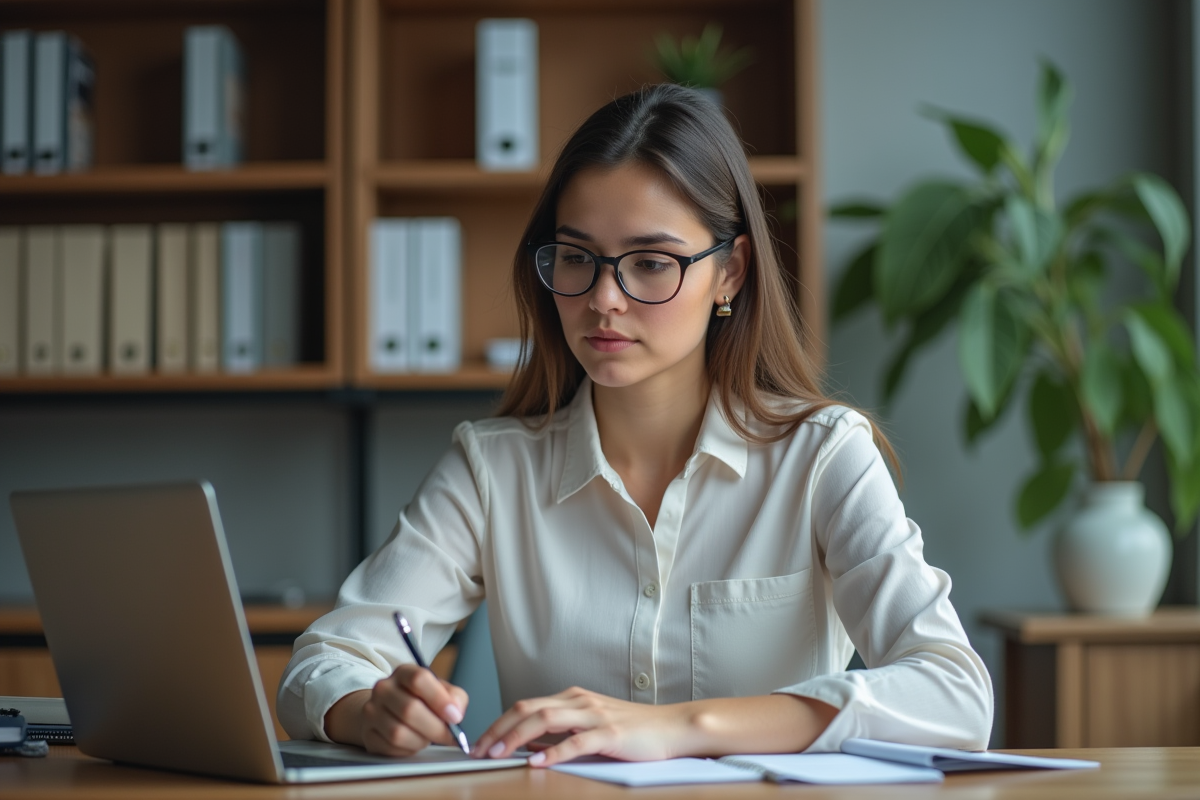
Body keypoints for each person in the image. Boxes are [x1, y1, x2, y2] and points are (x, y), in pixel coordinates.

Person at [278, 83, 993, 766]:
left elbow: (956, 695)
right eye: (578, 258)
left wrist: (681, 728)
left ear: (731, 273)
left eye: (650, 263)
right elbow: (323, 661)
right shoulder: (492, 469)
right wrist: (368, 709)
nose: (604, 299)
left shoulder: (823, 457)